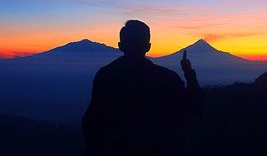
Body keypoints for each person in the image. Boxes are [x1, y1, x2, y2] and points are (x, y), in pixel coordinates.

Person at [82, 20, 203, 156]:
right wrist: (189, 73)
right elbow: (194, 108)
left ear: (120, 46)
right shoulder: (166, 78)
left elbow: (92, 121)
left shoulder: (105, 75)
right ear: (148, 46)